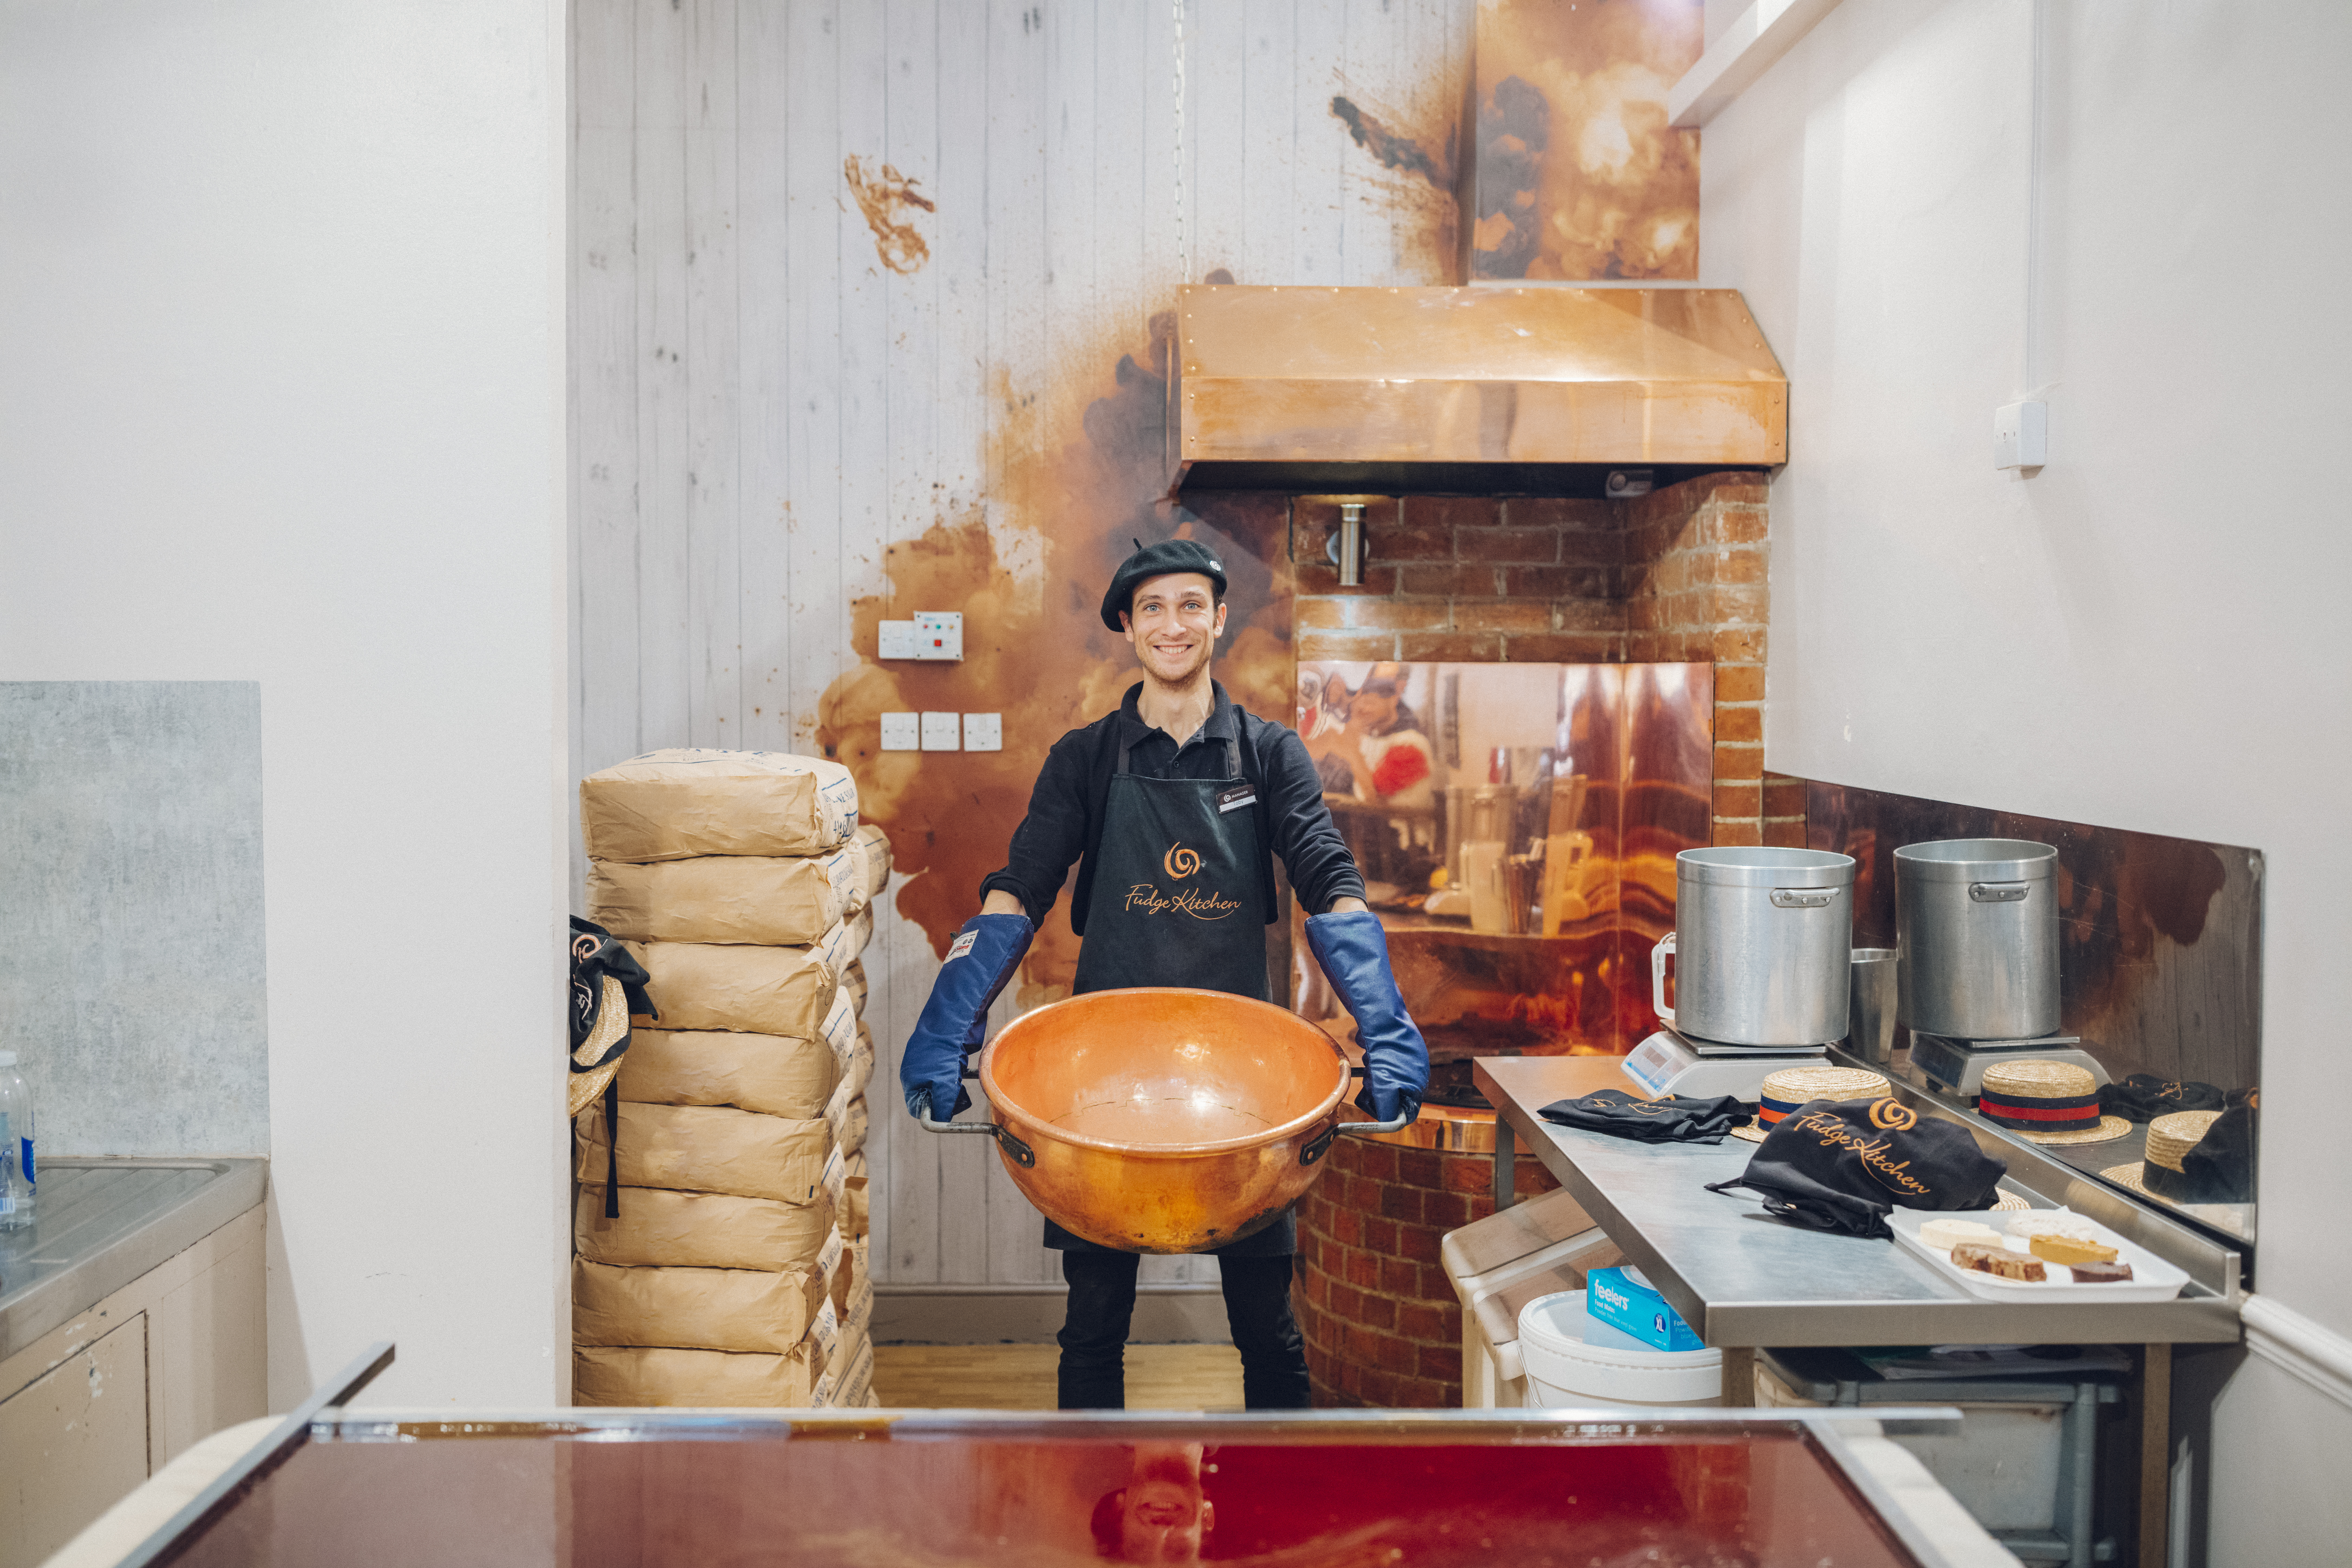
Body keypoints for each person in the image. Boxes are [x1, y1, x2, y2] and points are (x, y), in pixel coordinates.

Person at [898, 538, 1431, 1411]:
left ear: (1219, 620)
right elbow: (1019, 886)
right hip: (1102, 1088)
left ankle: (1275, 1524)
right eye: (1152, 608)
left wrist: (1386, 1027)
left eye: (1191, 606)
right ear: (1127, 627)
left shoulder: (1269, 755)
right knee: (1093, 1326)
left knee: (1270, 1331)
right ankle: (1087, 1508)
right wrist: (949, 1020)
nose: (1172, 624)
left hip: (1245, 1088)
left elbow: (1330, 883)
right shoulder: (1086, 757)